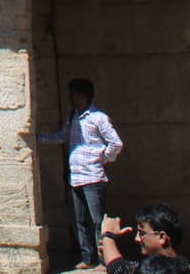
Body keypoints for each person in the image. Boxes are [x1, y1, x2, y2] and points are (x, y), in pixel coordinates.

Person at [40, 79, 125, 269]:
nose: (70, 98)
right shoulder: (73, 116)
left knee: (97, 221)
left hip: (93, 177)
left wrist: (104, 158)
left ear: (82, 96)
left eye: (73, 94)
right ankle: (88, 258)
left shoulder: (98, 118)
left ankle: (104, 260)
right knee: (79, 221)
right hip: (76, 177)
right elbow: (62, 136)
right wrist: (38, 138)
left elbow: (116, 143)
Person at [98, 204, 181, 274]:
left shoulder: (157, 270)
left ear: (161, 237)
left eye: (142, 233)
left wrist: (108, 236)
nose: (137, 239)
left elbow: (118, 269)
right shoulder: (181, 268)